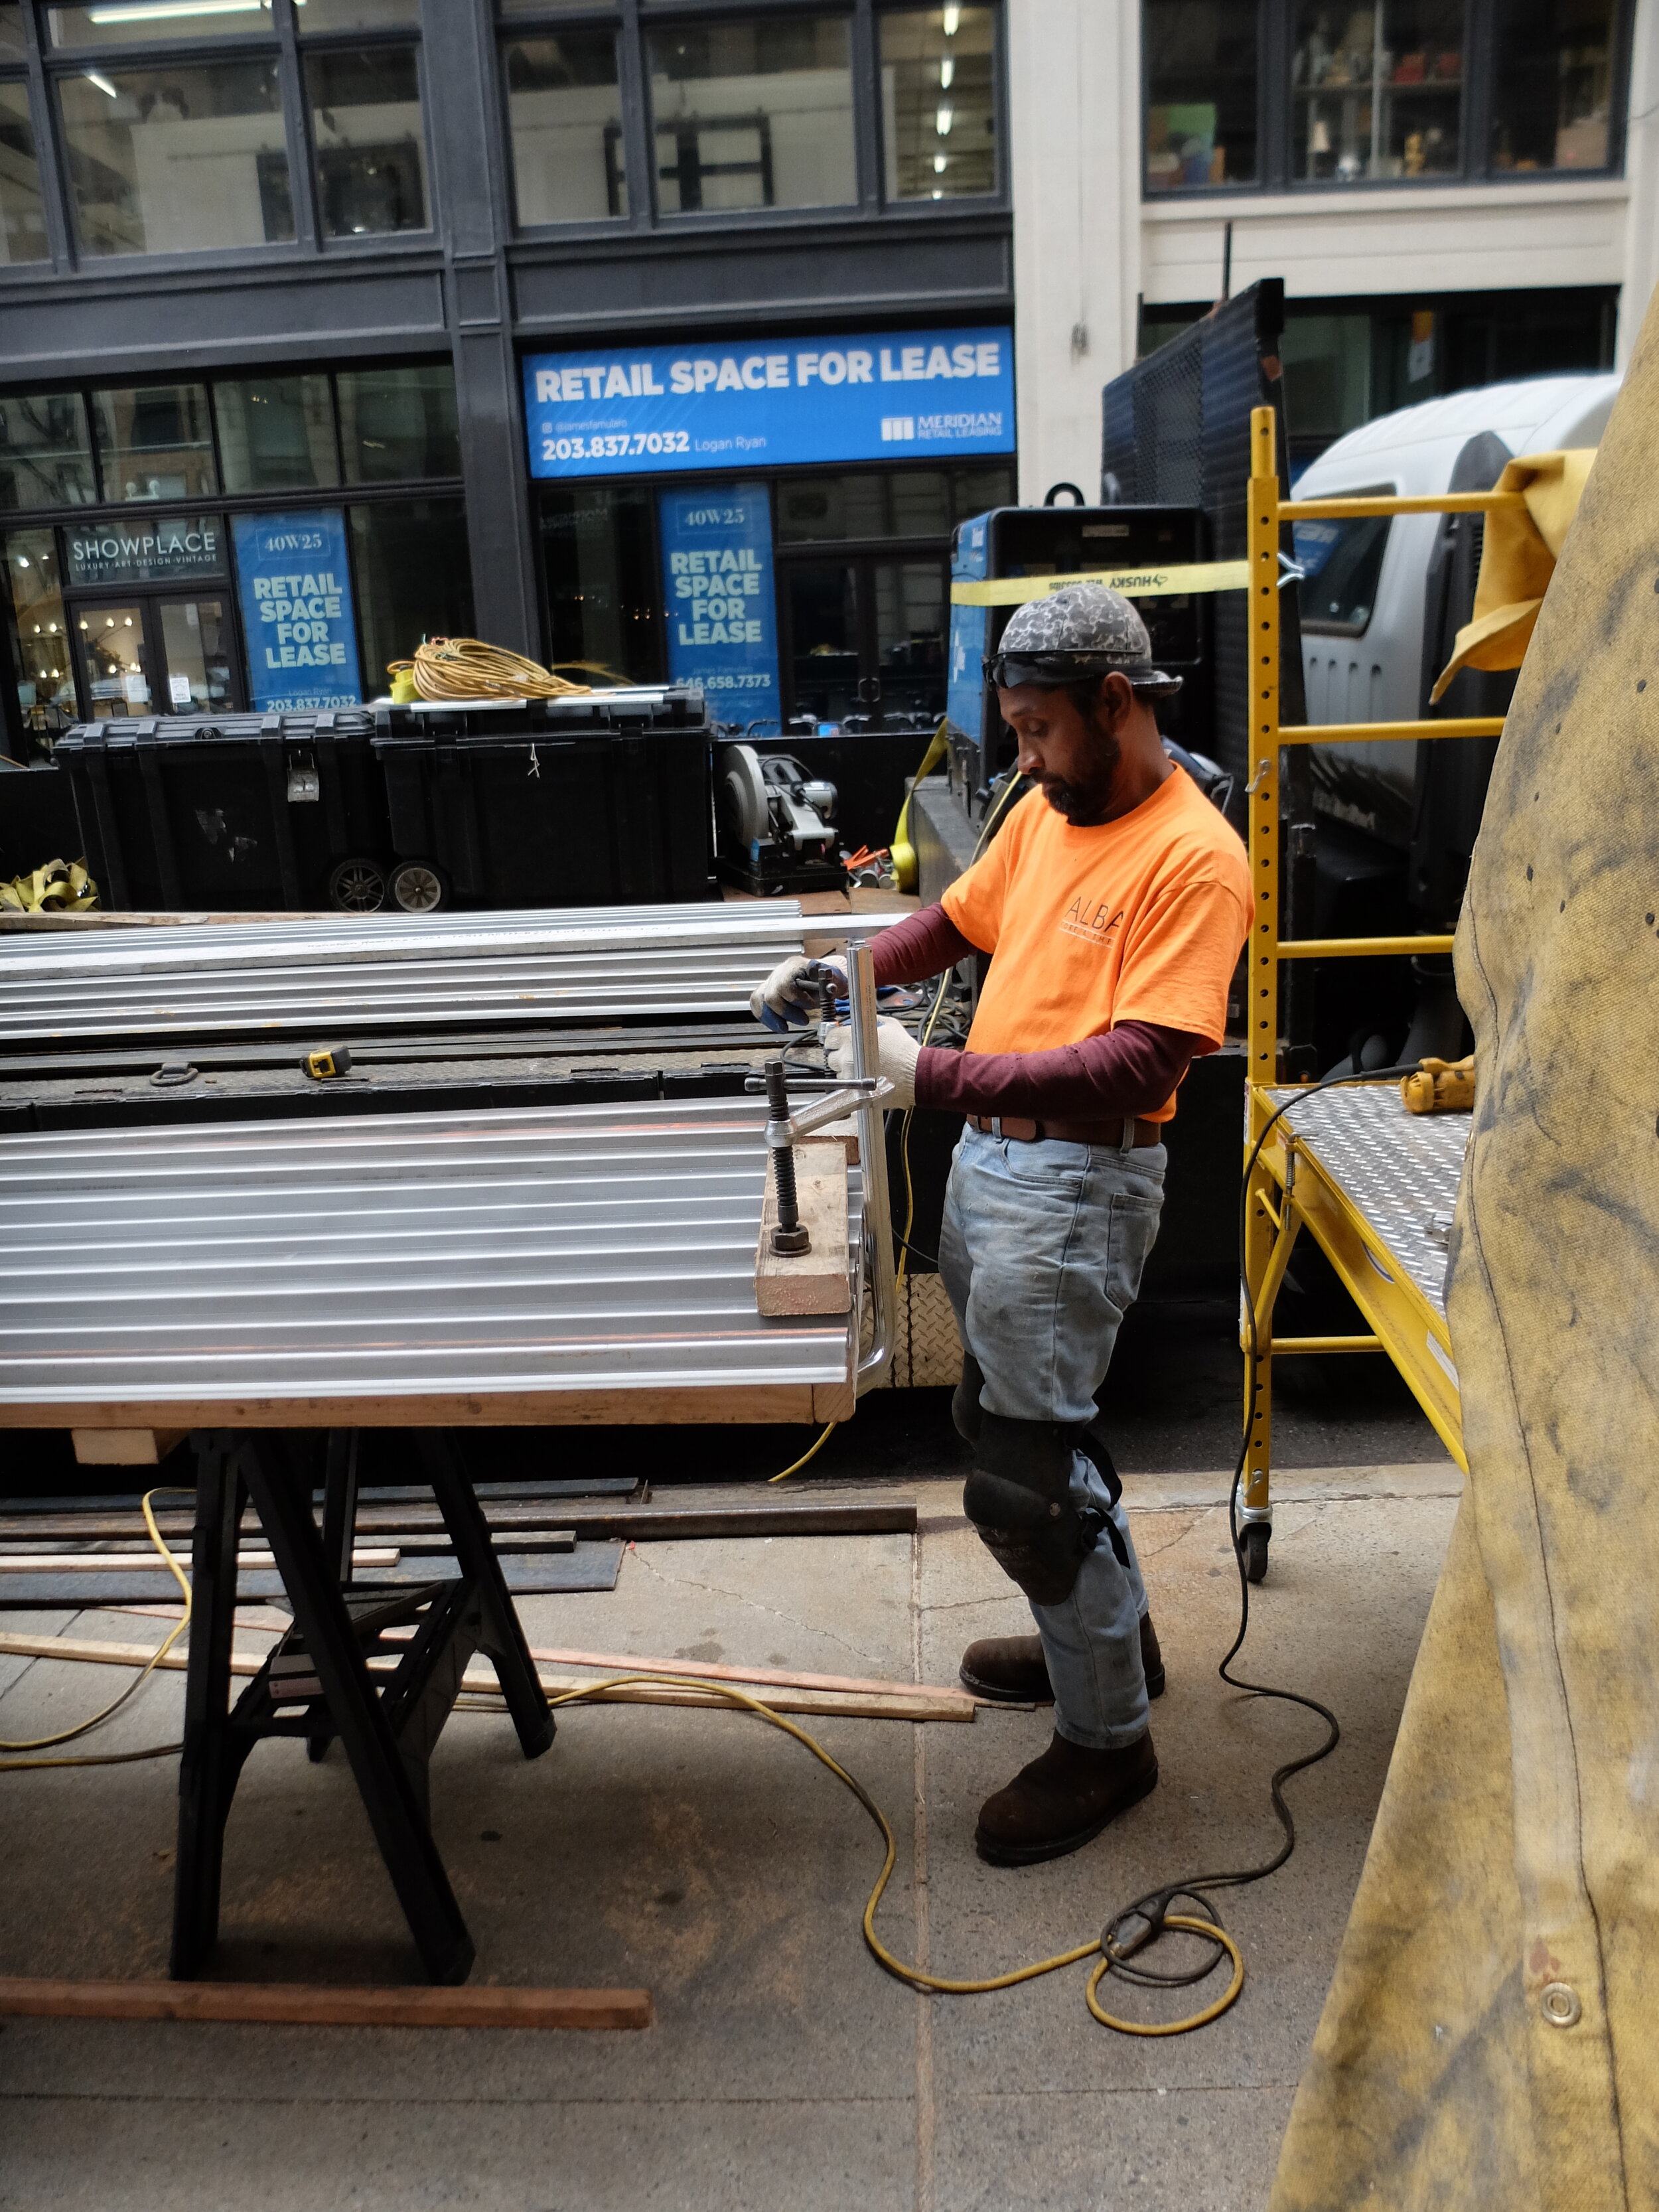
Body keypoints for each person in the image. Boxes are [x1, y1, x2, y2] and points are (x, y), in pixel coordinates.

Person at [752, 583, 1251, 1866]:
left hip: (1081, 1187)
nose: (1021, 759)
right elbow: (958, 921)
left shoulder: (1195, 857)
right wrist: (843, 972)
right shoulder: (1049, 809)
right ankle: (1109, 1639)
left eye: (1037, 731)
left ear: (1117, 704)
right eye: (1016, 732)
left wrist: (936, 1077)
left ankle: (1108, 1743)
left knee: (1022, 1483)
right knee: (1026, 1432)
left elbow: (1142, 1062)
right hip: (996, 1171)